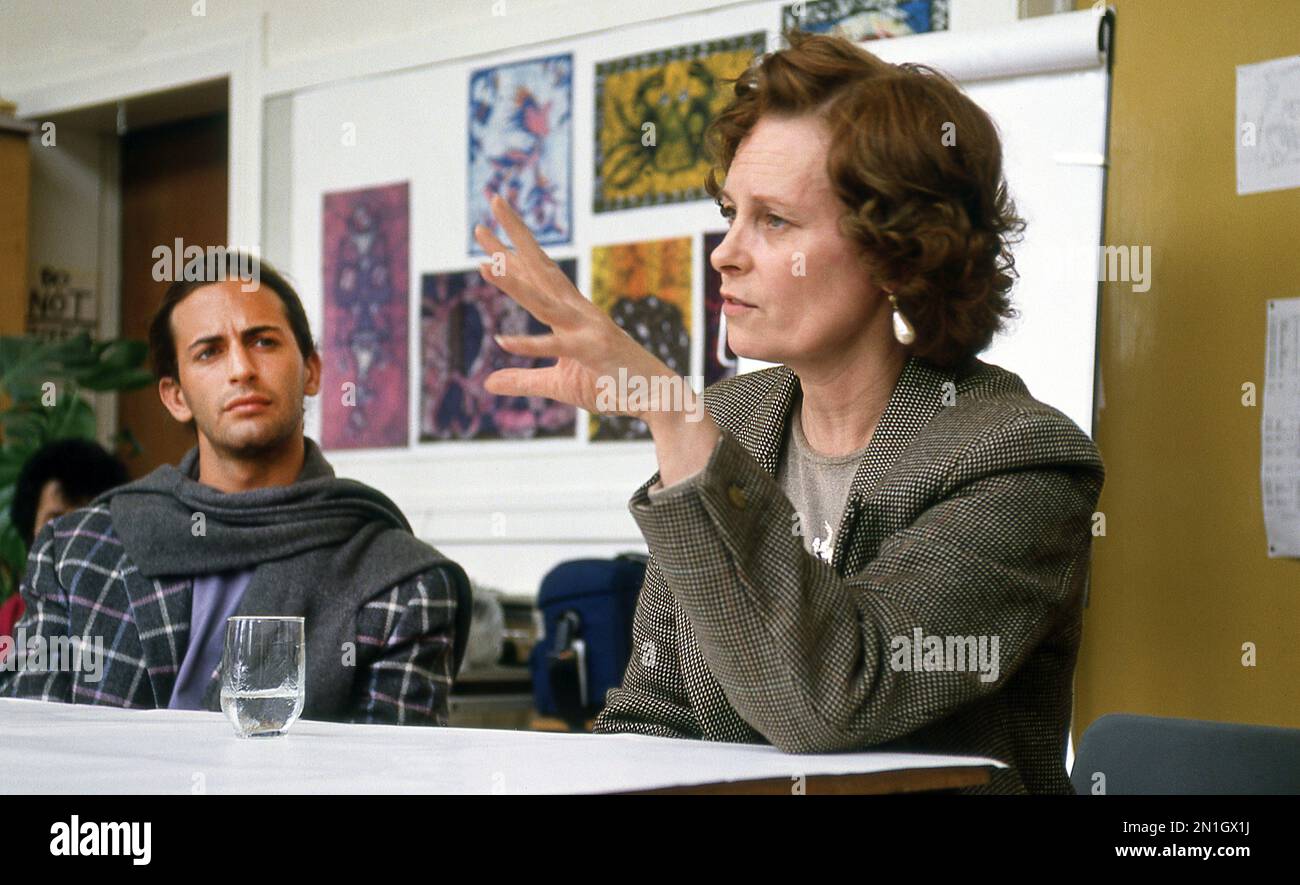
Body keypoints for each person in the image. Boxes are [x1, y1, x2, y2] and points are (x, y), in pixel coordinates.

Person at [472, 30, 1104, 793]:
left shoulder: (1019, 458)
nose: (724, 252)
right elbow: (652, 718)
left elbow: (832, 699)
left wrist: (672, 415)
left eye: (774, 220)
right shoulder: (727, 420)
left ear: (894, 251)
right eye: (730, 211)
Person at [1, 252, 471, 726]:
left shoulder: (402, 583)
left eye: (263, 342)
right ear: (177, 397)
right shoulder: (76, 553)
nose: (242, 368)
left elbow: (388, 782)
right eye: (209, 351)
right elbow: (31, 747)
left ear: (311, 370)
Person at [0, 439, 129, 657]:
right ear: (30, 527)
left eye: (83, 520)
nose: (70, 536)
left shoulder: (131, 618)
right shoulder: (10, 620)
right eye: (55, 521)